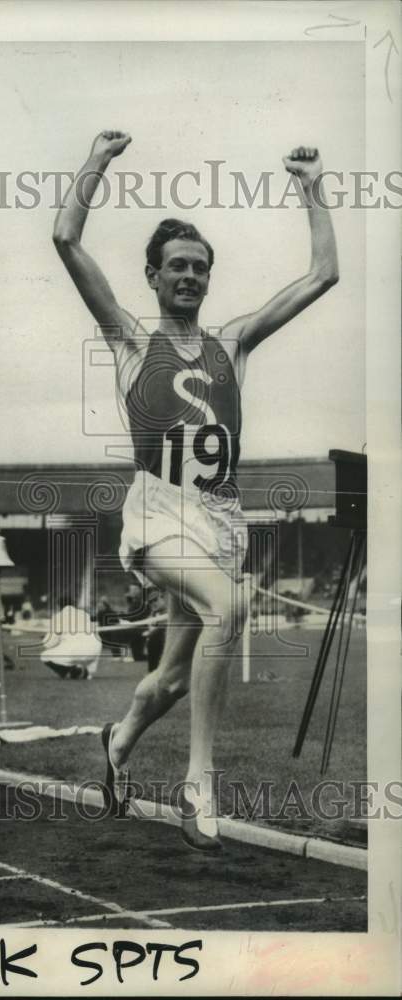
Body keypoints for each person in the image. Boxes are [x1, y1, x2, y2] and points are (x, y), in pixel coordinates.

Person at [54, 133, 338, 850]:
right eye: (177, 265)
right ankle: (199, 782)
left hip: (219, 520)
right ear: (152, 275)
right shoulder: (129, 342)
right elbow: (65, 238)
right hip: (158, 514)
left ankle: (118, 741)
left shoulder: (232, 345)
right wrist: (97, 161)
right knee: (229, 606)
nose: (189, 276)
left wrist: (310, 186)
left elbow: (322, 275)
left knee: (173, 680)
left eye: (200, 267)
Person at [41, 593, 102, 680]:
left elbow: (48, 644)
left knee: (44, 656)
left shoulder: (58, 617)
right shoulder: (85, 615)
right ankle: (87, 671)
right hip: (94, 651)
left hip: (76, 651)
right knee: (94, 641)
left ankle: (73, 671)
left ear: (58, 606)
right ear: (74, 605)